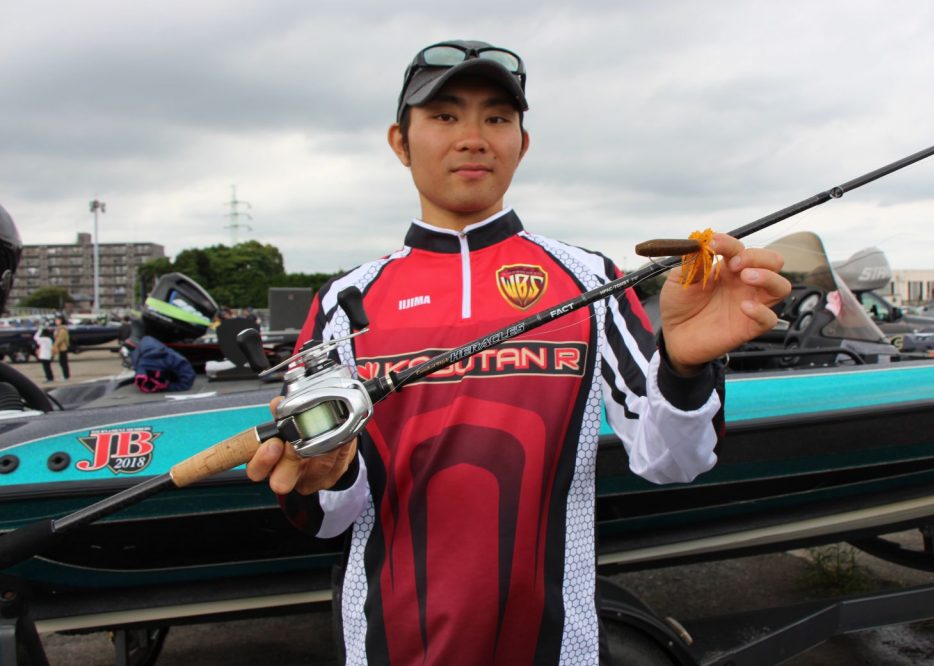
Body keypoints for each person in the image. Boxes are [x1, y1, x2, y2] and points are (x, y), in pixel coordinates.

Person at [246, 40, 790, 665]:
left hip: (561, 647)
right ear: (400, 142)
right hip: (386, 646)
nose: (474, 138)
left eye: (497, 118)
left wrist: (684, 363)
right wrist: (322, 476)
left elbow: (674, 462)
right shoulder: (347, 301)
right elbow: (329, 518)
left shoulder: (590, 280)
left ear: (522, 144)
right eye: (445, 115)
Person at [53, 315, 70, 379]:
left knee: (63, 362)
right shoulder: (58, 328)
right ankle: (65, 375)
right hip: (60, 348)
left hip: (63, 347)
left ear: (61, 321)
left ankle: (66, 375)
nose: (56, 321)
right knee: (62, 362)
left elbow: (60, 339)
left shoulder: (62, 329)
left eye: (57, 320)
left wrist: (55, 345)